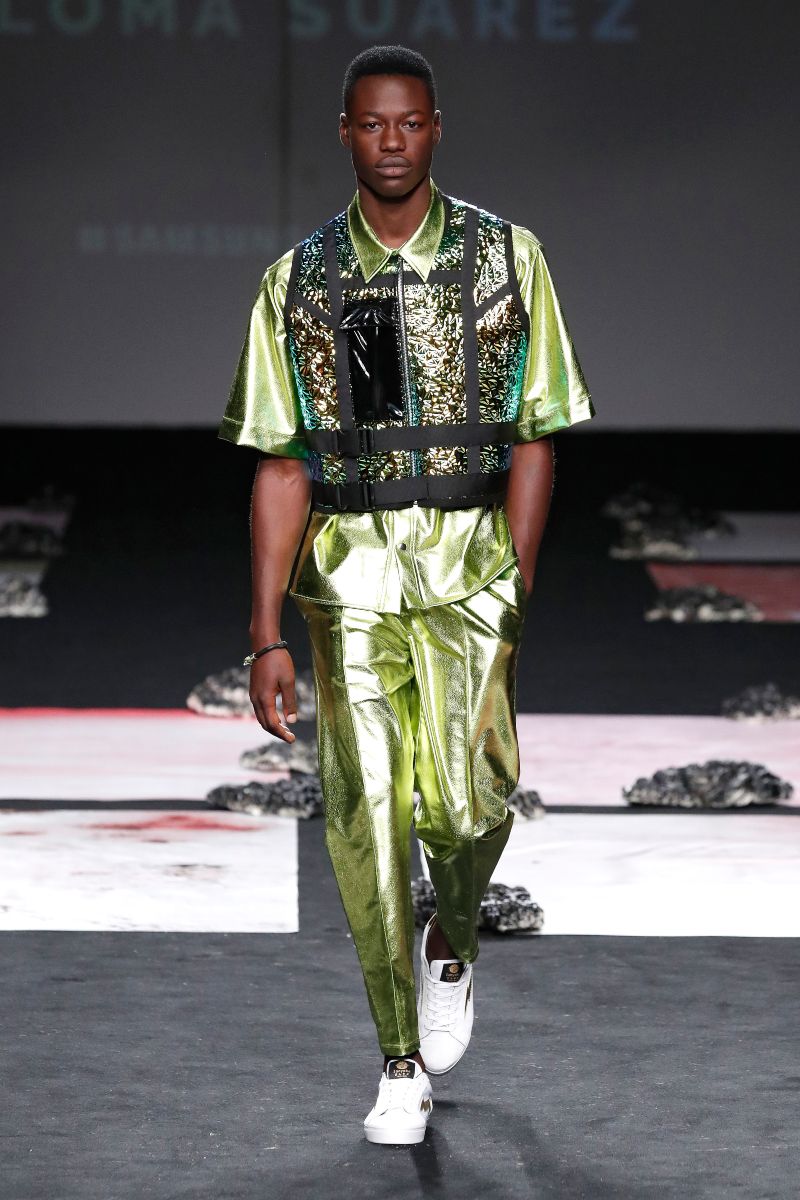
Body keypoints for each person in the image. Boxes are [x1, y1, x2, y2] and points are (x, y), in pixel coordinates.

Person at [218, 44, 594, 1146]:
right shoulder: (297, 282)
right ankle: (396, 1058)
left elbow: (536, 432)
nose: (392, 141)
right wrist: (264, 630)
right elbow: (281, 461)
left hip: (472, 563)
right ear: (344, 132)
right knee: (366, 809)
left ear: (436, 129)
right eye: (372, 123)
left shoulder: (506, 257)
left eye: (410, 122)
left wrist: (517, 581)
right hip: (349, 574)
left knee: (472, 806)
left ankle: (451, 943)